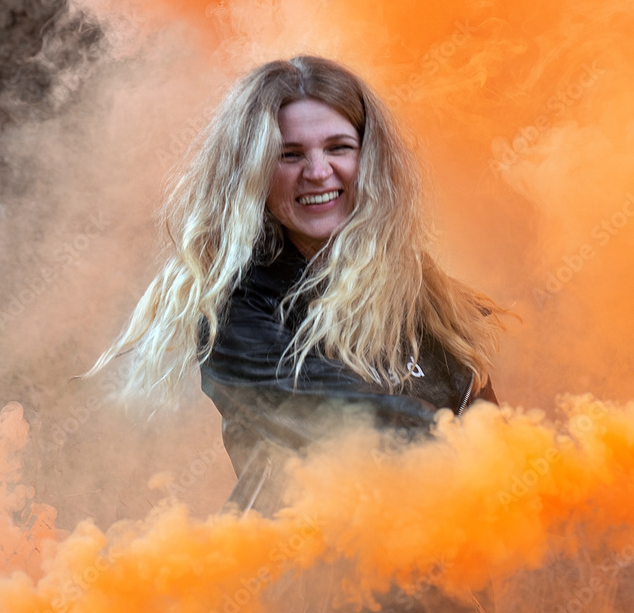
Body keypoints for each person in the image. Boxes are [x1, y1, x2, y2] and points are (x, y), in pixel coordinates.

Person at [90, 55, 504, 609]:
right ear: (252, 171)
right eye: (289, 155)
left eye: (338, 147)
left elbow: (487, 422)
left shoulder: (415, 284)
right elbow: (362, 427)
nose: (318, 172)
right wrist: (490, 462)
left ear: (369, 158)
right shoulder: (234, 312)